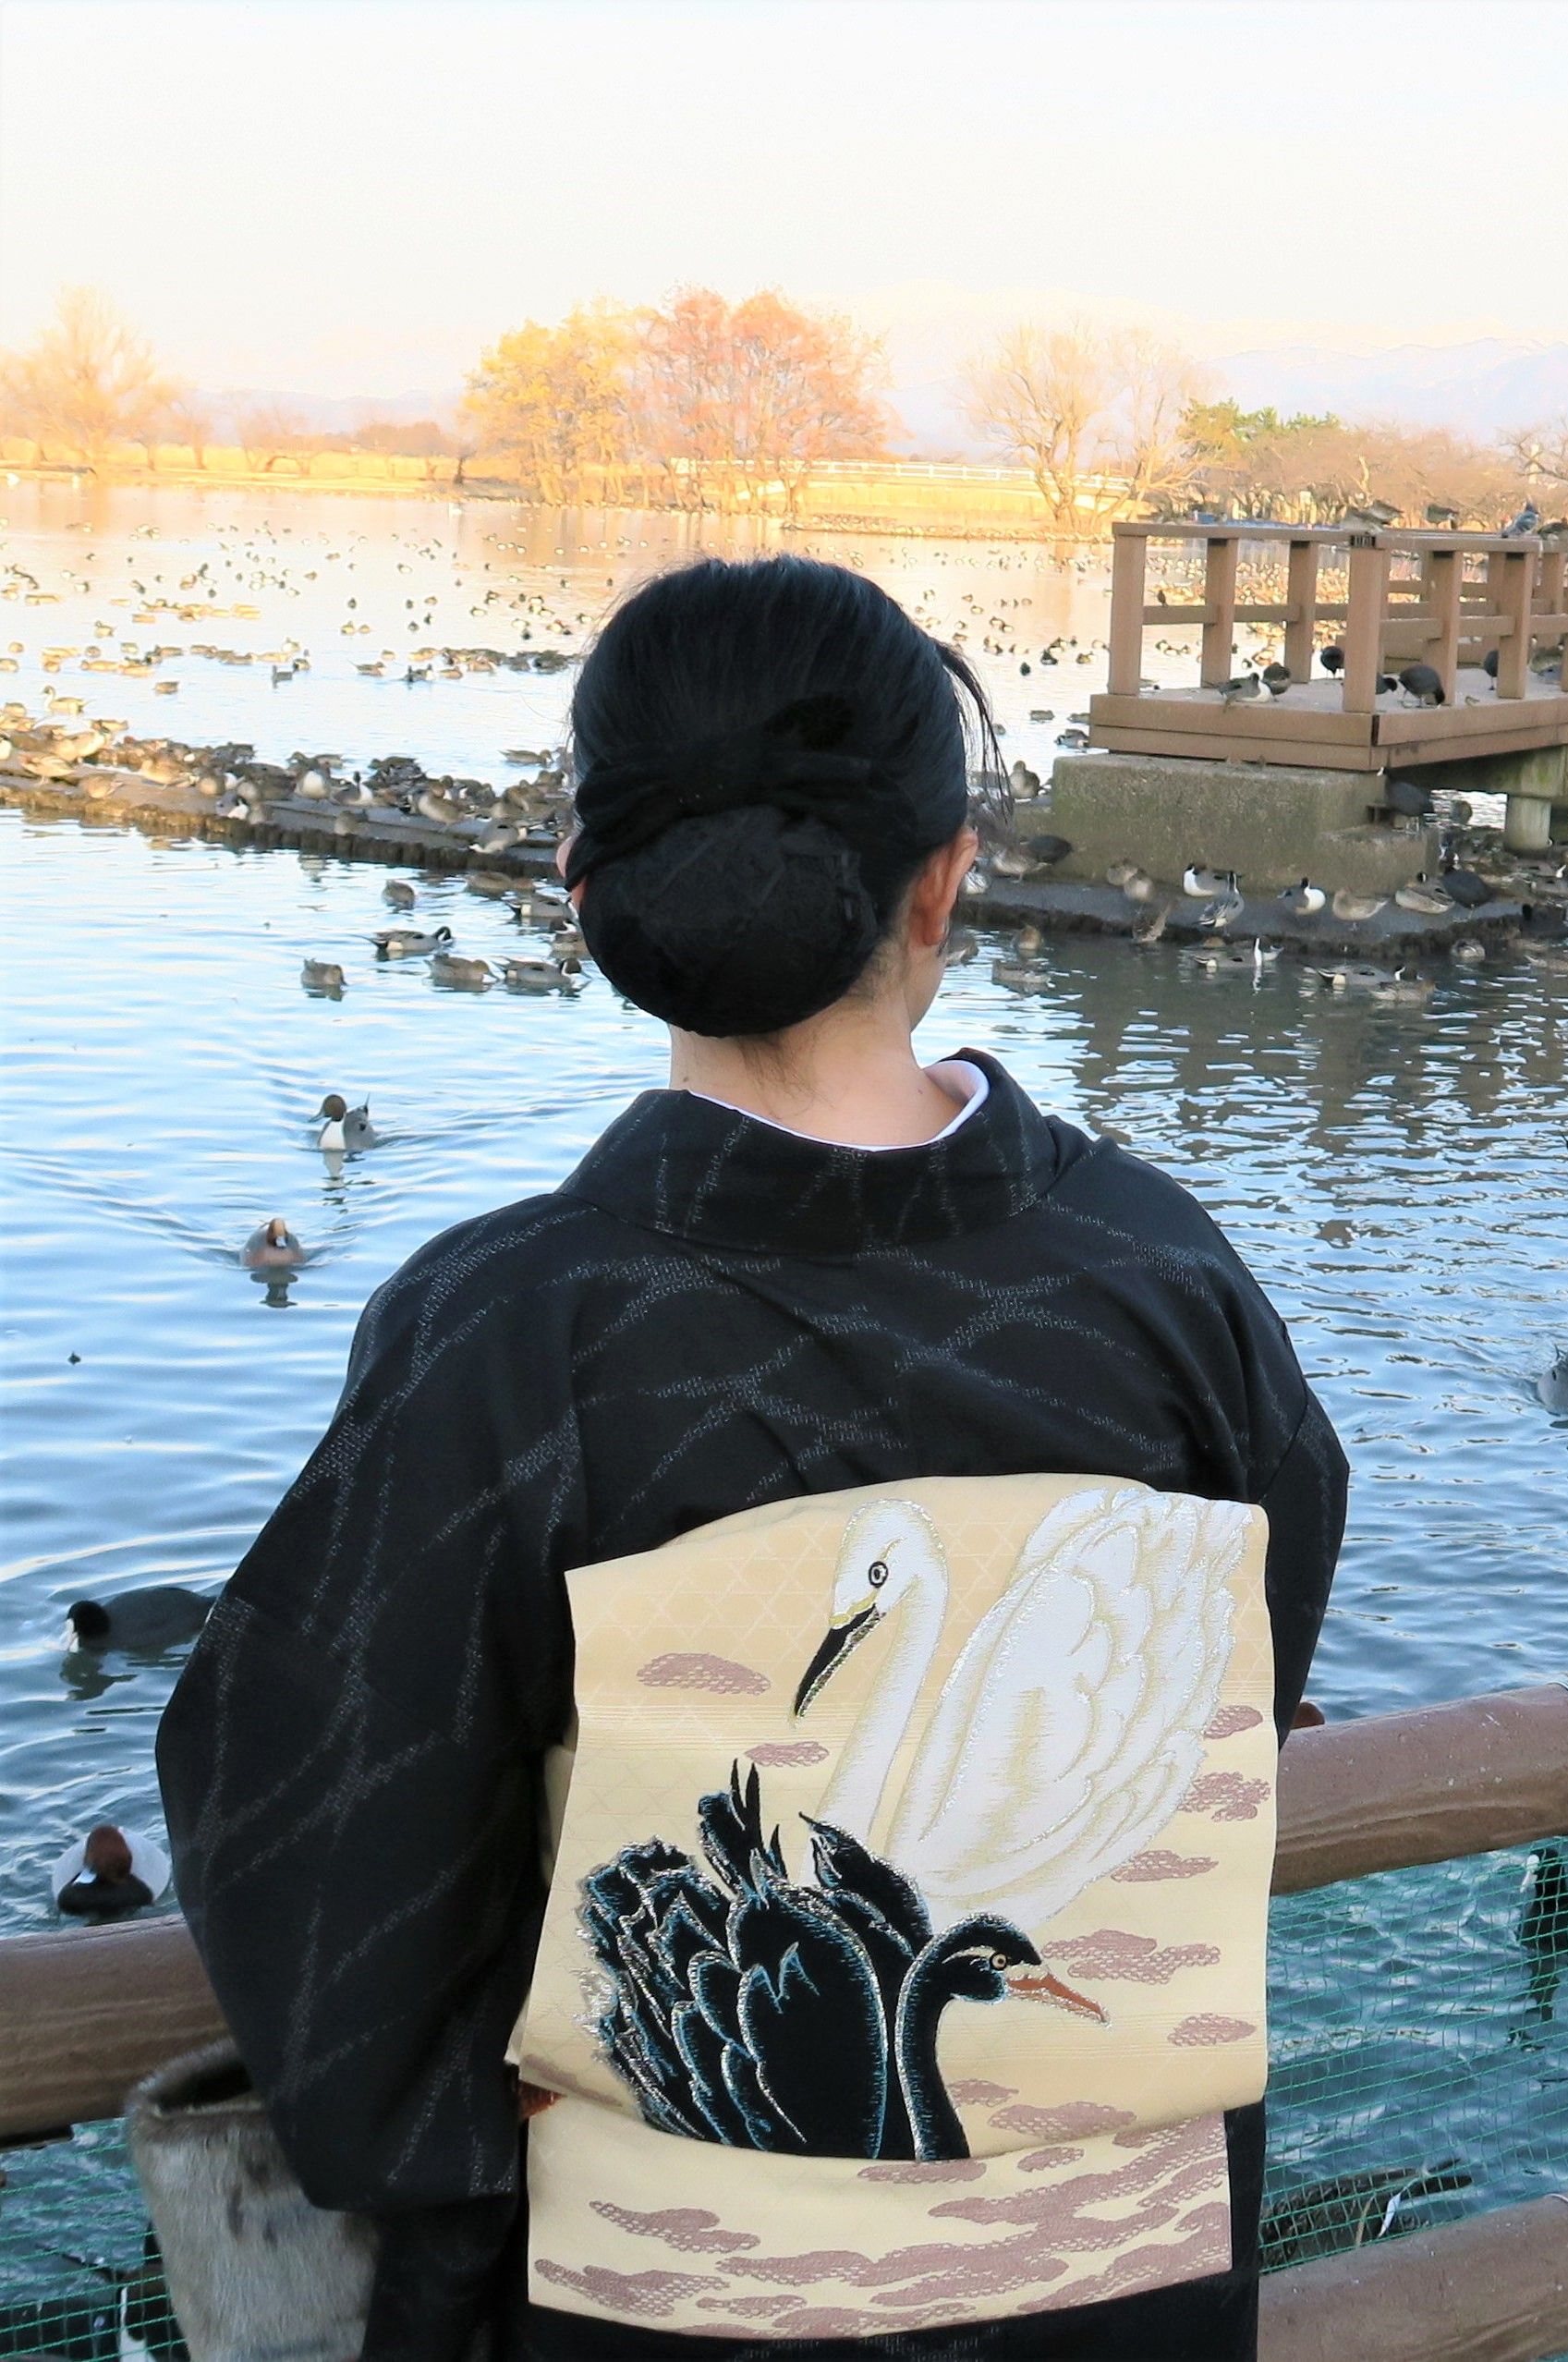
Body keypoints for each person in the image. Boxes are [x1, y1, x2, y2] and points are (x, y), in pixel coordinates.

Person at [160, 554, 1345, 2358]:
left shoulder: (509, 1337)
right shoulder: (1174, 1286)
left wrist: (508, 2164)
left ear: (585, 888)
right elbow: (1251, 1683)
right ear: (945, 881)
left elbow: (310, 1850)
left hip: (663, 2313)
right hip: (1129, 2295)